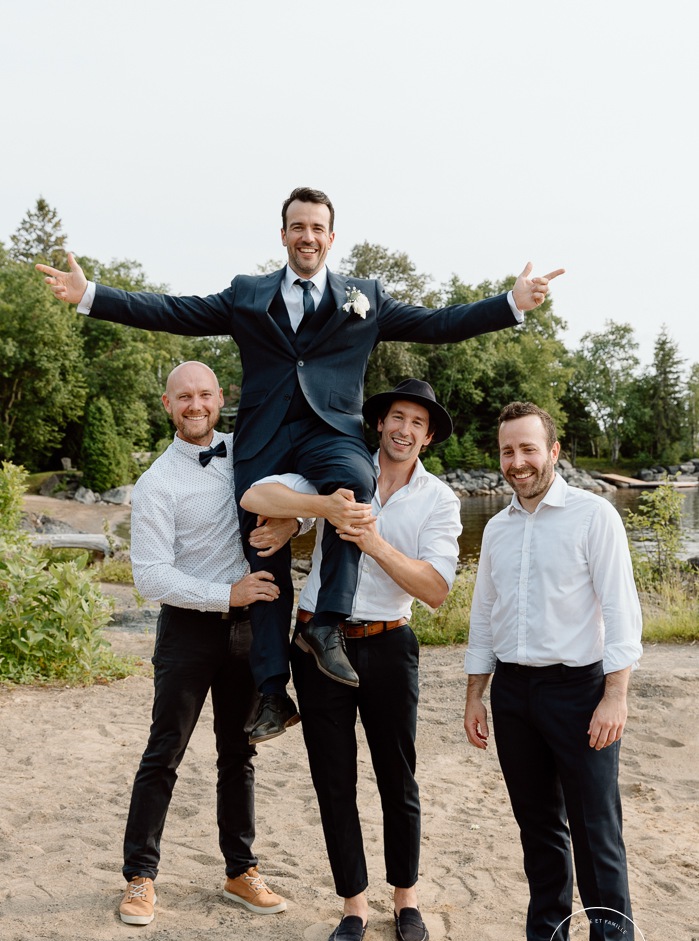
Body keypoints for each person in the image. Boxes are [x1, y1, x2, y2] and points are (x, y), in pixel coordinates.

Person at [37, 187, 563, 745]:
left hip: (330, 432)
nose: (307, 236)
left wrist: (510, 304)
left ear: (331, 238)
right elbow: (174, 312)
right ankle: (270, 690)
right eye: (297, 227)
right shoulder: (247, 294)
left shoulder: (366, 298)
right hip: (263, 441)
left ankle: (327, 625)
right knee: (262, 548)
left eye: (317, 228)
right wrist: (89, 294)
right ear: (283, 235)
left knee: (356, 483)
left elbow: (440, 323)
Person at [241, 379, 461, 941]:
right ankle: (353, 906)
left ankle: (405, 899)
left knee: (398, 778)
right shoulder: (341, 467)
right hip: (318, 644)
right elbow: (258, 495)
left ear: (428, 436)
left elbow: (435, 589)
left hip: (389, 645)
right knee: (333, 780)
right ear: (379, 424)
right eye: (395, 417)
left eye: (416, 422)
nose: (403, 429)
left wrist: (372, 540)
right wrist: (306, 514)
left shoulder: (440, 500)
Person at [463, 401, 642, 941]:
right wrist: (475, 692)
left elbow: (621, 612)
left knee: (598, 832)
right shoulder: (498, 530)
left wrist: (615, 695)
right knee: (537, 823)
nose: (517, 463)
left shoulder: (593, 518)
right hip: (513, 693)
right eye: (508, 452)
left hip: (580, 691)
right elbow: (484, 613)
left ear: (553, 451)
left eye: (528, 450)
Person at [118, 359, 302, 927]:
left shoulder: (250, 452)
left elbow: (301, 491)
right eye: (183, 398)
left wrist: (293, 524)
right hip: (188, 631)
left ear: (220, 397)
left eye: (204, 395)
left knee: (239, 753)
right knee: (164, 751)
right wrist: (228, 593)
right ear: (168, 405)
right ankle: (140, 878)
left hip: (250, 634)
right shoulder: (156, 483)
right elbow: (149, 576)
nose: (194, 406)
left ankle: (239, 871)